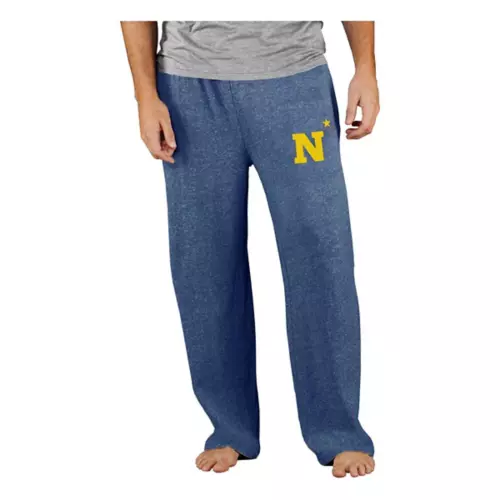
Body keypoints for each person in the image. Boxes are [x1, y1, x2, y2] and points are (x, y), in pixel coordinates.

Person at [121, 21, 379, 478]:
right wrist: (145, 95)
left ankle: (338, 431)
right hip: (189, 86)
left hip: (294, 81)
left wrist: (365, 68)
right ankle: (230, 429)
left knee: (322, 260)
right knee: (204, 265)